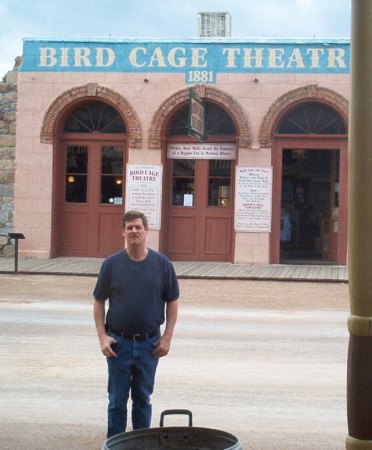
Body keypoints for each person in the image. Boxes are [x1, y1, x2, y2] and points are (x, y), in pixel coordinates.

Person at [93, 210, 179, 438]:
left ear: (147, 231)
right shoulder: (111, 265)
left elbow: (172, 301)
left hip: (149, 344)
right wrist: (102, 337)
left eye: (138, 227)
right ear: (123, 232)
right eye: (129, 228)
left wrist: (167, 337)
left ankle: (141, 443)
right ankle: (115, 443)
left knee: (143, 399)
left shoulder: (162, 265)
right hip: (118, 344)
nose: (134, 231)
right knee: (117, 401)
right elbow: (99, 301)